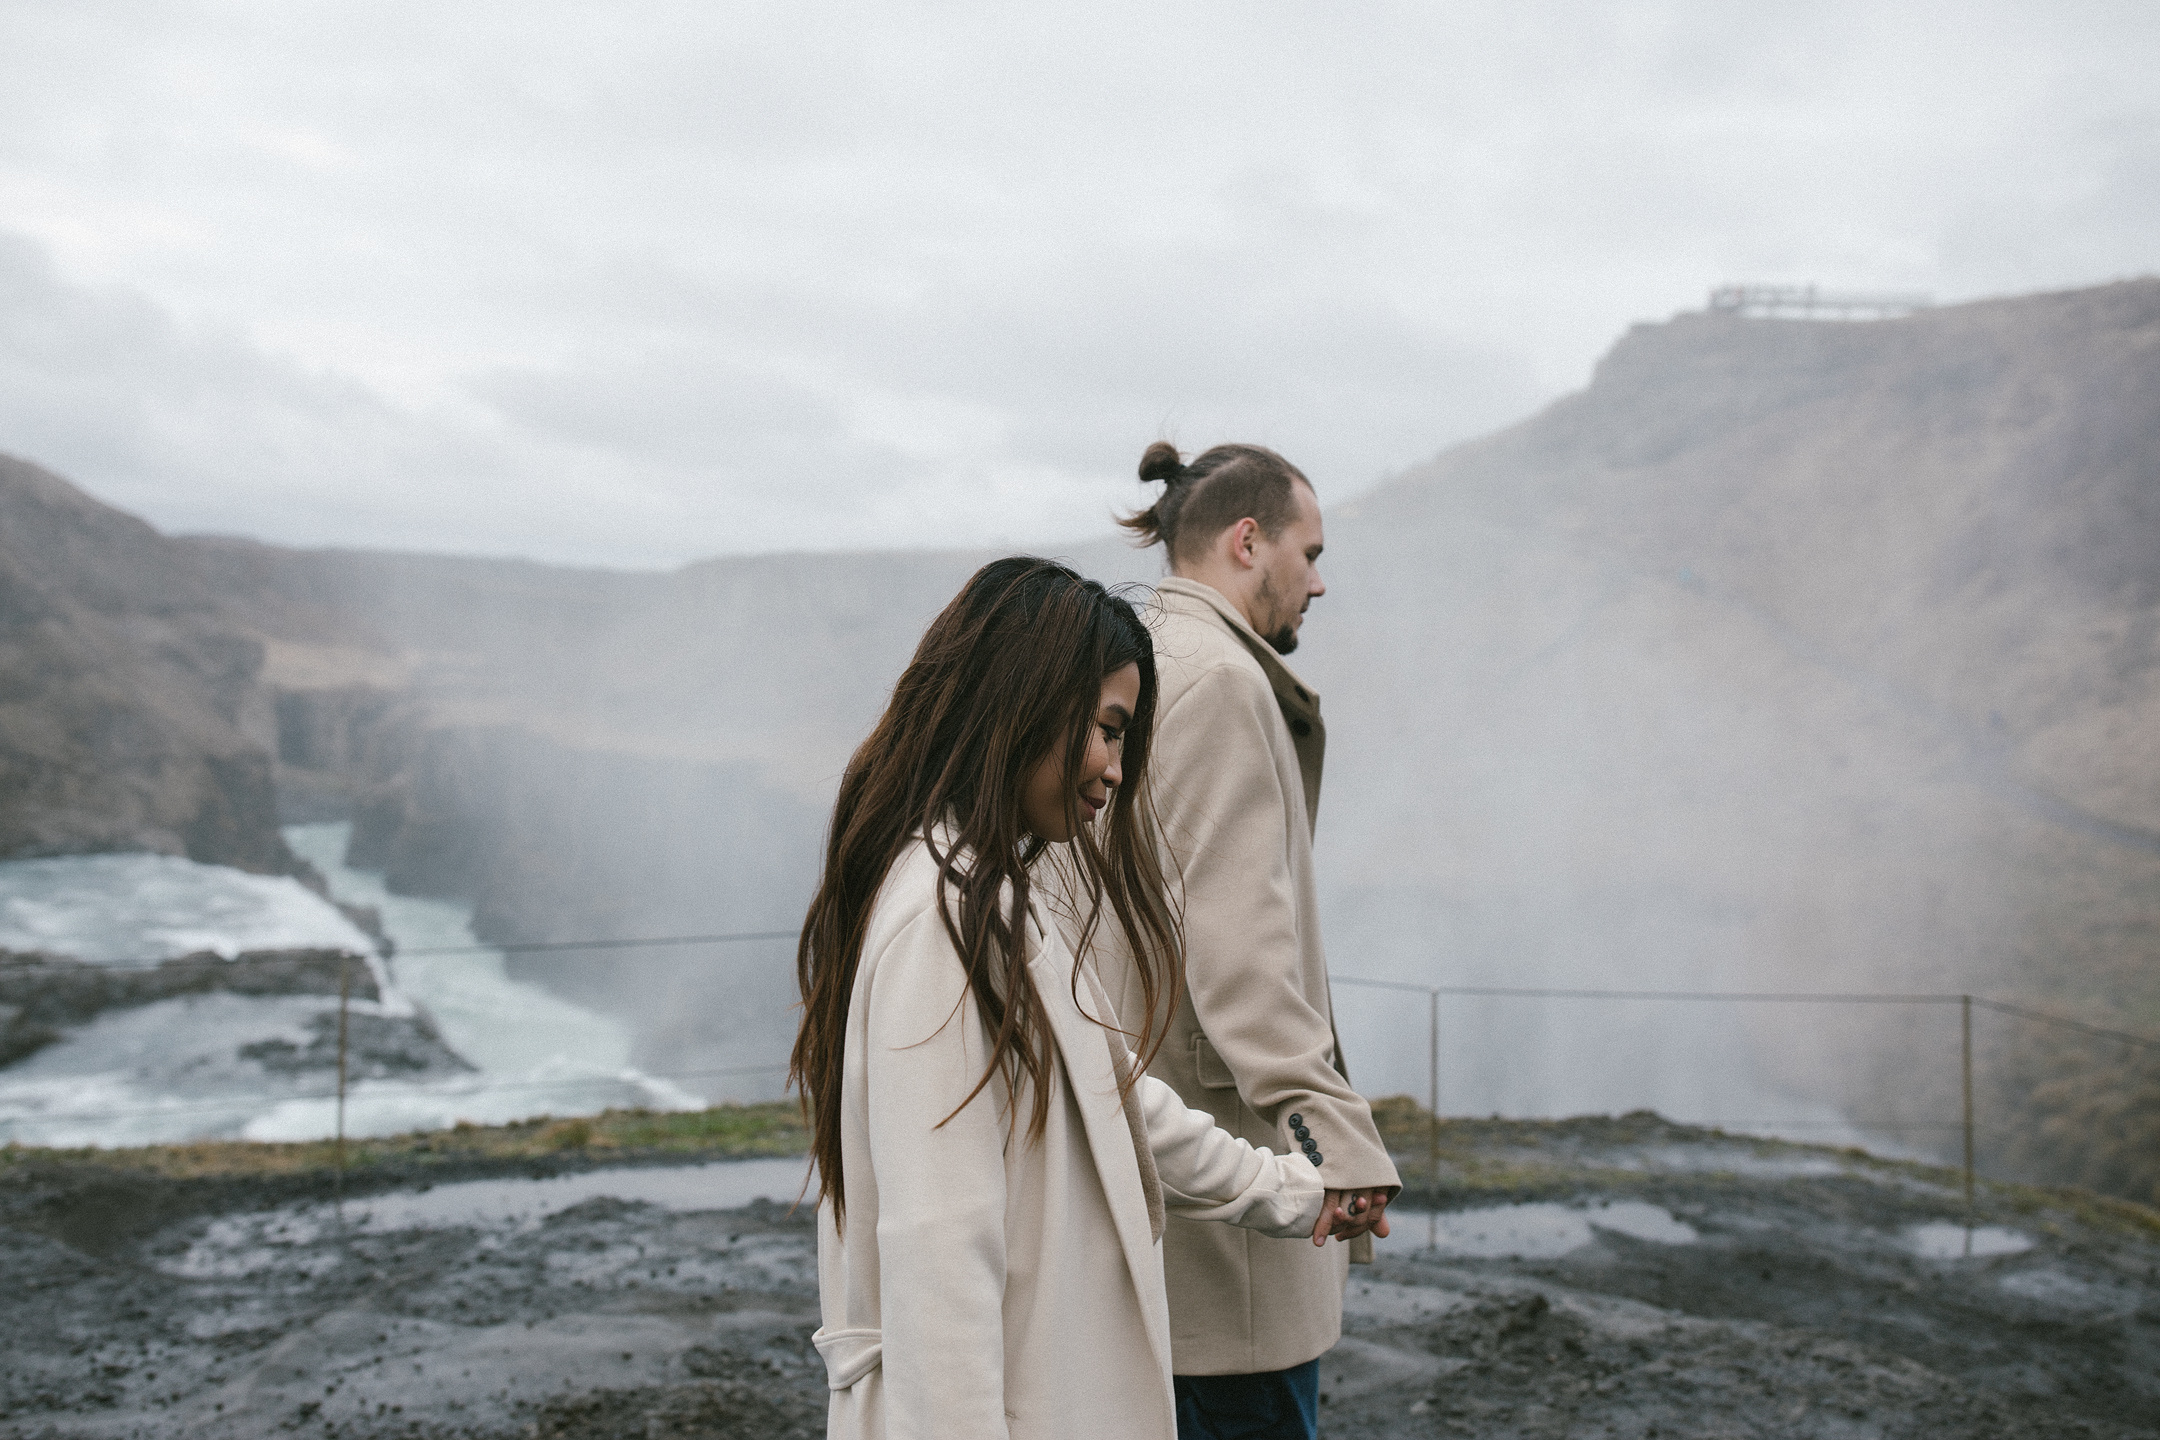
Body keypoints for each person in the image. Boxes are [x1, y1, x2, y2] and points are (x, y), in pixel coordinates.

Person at [793, 557, 1366, 1440]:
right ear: (1021, 701)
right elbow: (941, 1264)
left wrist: (1293, 1188)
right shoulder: (942, 924)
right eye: (1106, 729)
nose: (1116, 769)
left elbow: (1120, 1097)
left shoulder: (992, 898)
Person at [1105, 442, 1403, 1440]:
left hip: (1160, 1167)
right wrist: (1337, 1138)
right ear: (1247, 541)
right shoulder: (1222, 683)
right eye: (1308, 553)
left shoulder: (1140, 657)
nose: (1318, 582)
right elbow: (1240, 952)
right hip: (1228, 1212)